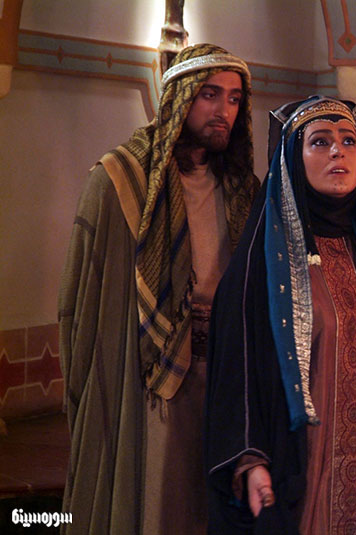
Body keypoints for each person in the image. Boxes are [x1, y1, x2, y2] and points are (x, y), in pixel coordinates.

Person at [205, 96, 356, 534]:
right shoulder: (264, 263)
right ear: (293, 159)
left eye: (349, 141)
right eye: (320, 141)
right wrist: (250, 460)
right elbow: (238, 372)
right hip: (300, 468)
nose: (338, 152)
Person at [58, 44, 258, 534]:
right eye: (210, 94)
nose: (224, 110)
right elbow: (84, 301)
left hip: (224, 375)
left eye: (234, 98)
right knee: (156, 509)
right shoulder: (120, 180)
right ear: (179, 98)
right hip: (151, 375)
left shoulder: (243, 189)